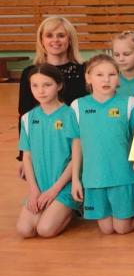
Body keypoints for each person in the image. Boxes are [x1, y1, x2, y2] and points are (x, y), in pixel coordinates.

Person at [72, 55, 134, 234]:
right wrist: (75, 178)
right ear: (88, 78)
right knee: (107, 229)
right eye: (99, 75)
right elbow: (77, 144)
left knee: (122, 228)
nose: (106, 80)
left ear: (118, 78)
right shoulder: (77, 106)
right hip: (94, 178)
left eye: (111, 74)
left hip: (123, 175)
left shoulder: (130, 103)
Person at [16, 64, 80, 239]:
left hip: (63, 186)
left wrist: (53, 191)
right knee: (25, 230)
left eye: (47, 85)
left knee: (45, 230)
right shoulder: (28, 118)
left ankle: (72, 210)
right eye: (35, 86)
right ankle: (50, 209)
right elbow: (27, 157)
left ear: (59, 85)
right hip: (39, 186)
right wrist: (33, 191)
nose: (41, 91)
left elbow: (76, 157)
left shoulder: (71, 115)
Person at [17, 17, 85, 167]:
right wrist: (23, 156)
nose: (55, 40)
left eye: (61, 35)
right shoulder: (30, 72)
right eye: (49, 35)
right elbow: (24, 115)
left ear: (70, 39)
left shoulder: (84, 71)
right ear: (41, 40)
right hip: (44, 144)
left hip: (77, 144)